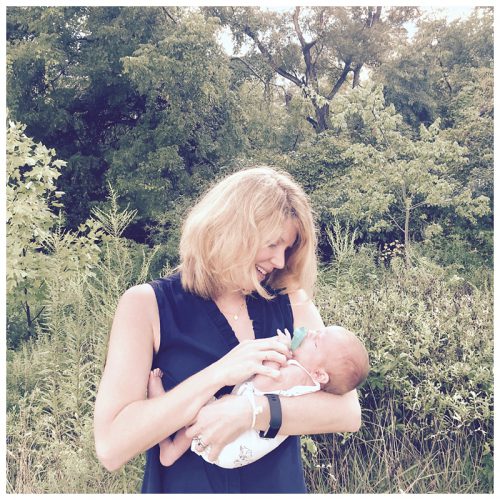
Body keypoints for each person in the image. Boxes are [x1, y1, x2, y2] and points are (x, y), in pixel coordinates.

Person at [94, 166, 362, 493]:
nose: (280, 261)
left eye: (287, 249)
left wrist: (250, 412)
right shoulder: (146, 305)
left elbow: (347, 412)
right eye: (273, 244)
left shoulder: (291, 300)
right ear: (232, 231)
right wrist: (219, 373)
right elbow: (111, 446)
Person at [148, 325, 369, 468]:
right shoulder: (311, 383)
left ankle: (159, 397)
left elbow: (263, 383)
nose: (310, 333)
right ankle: (170, 452)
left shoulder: (298, 373)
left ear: (320, 374)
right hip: (234, 449)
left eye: (316, 341)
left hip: (229, 440)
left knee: (195, 403)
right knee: (197, 421)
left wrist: (278, 352)